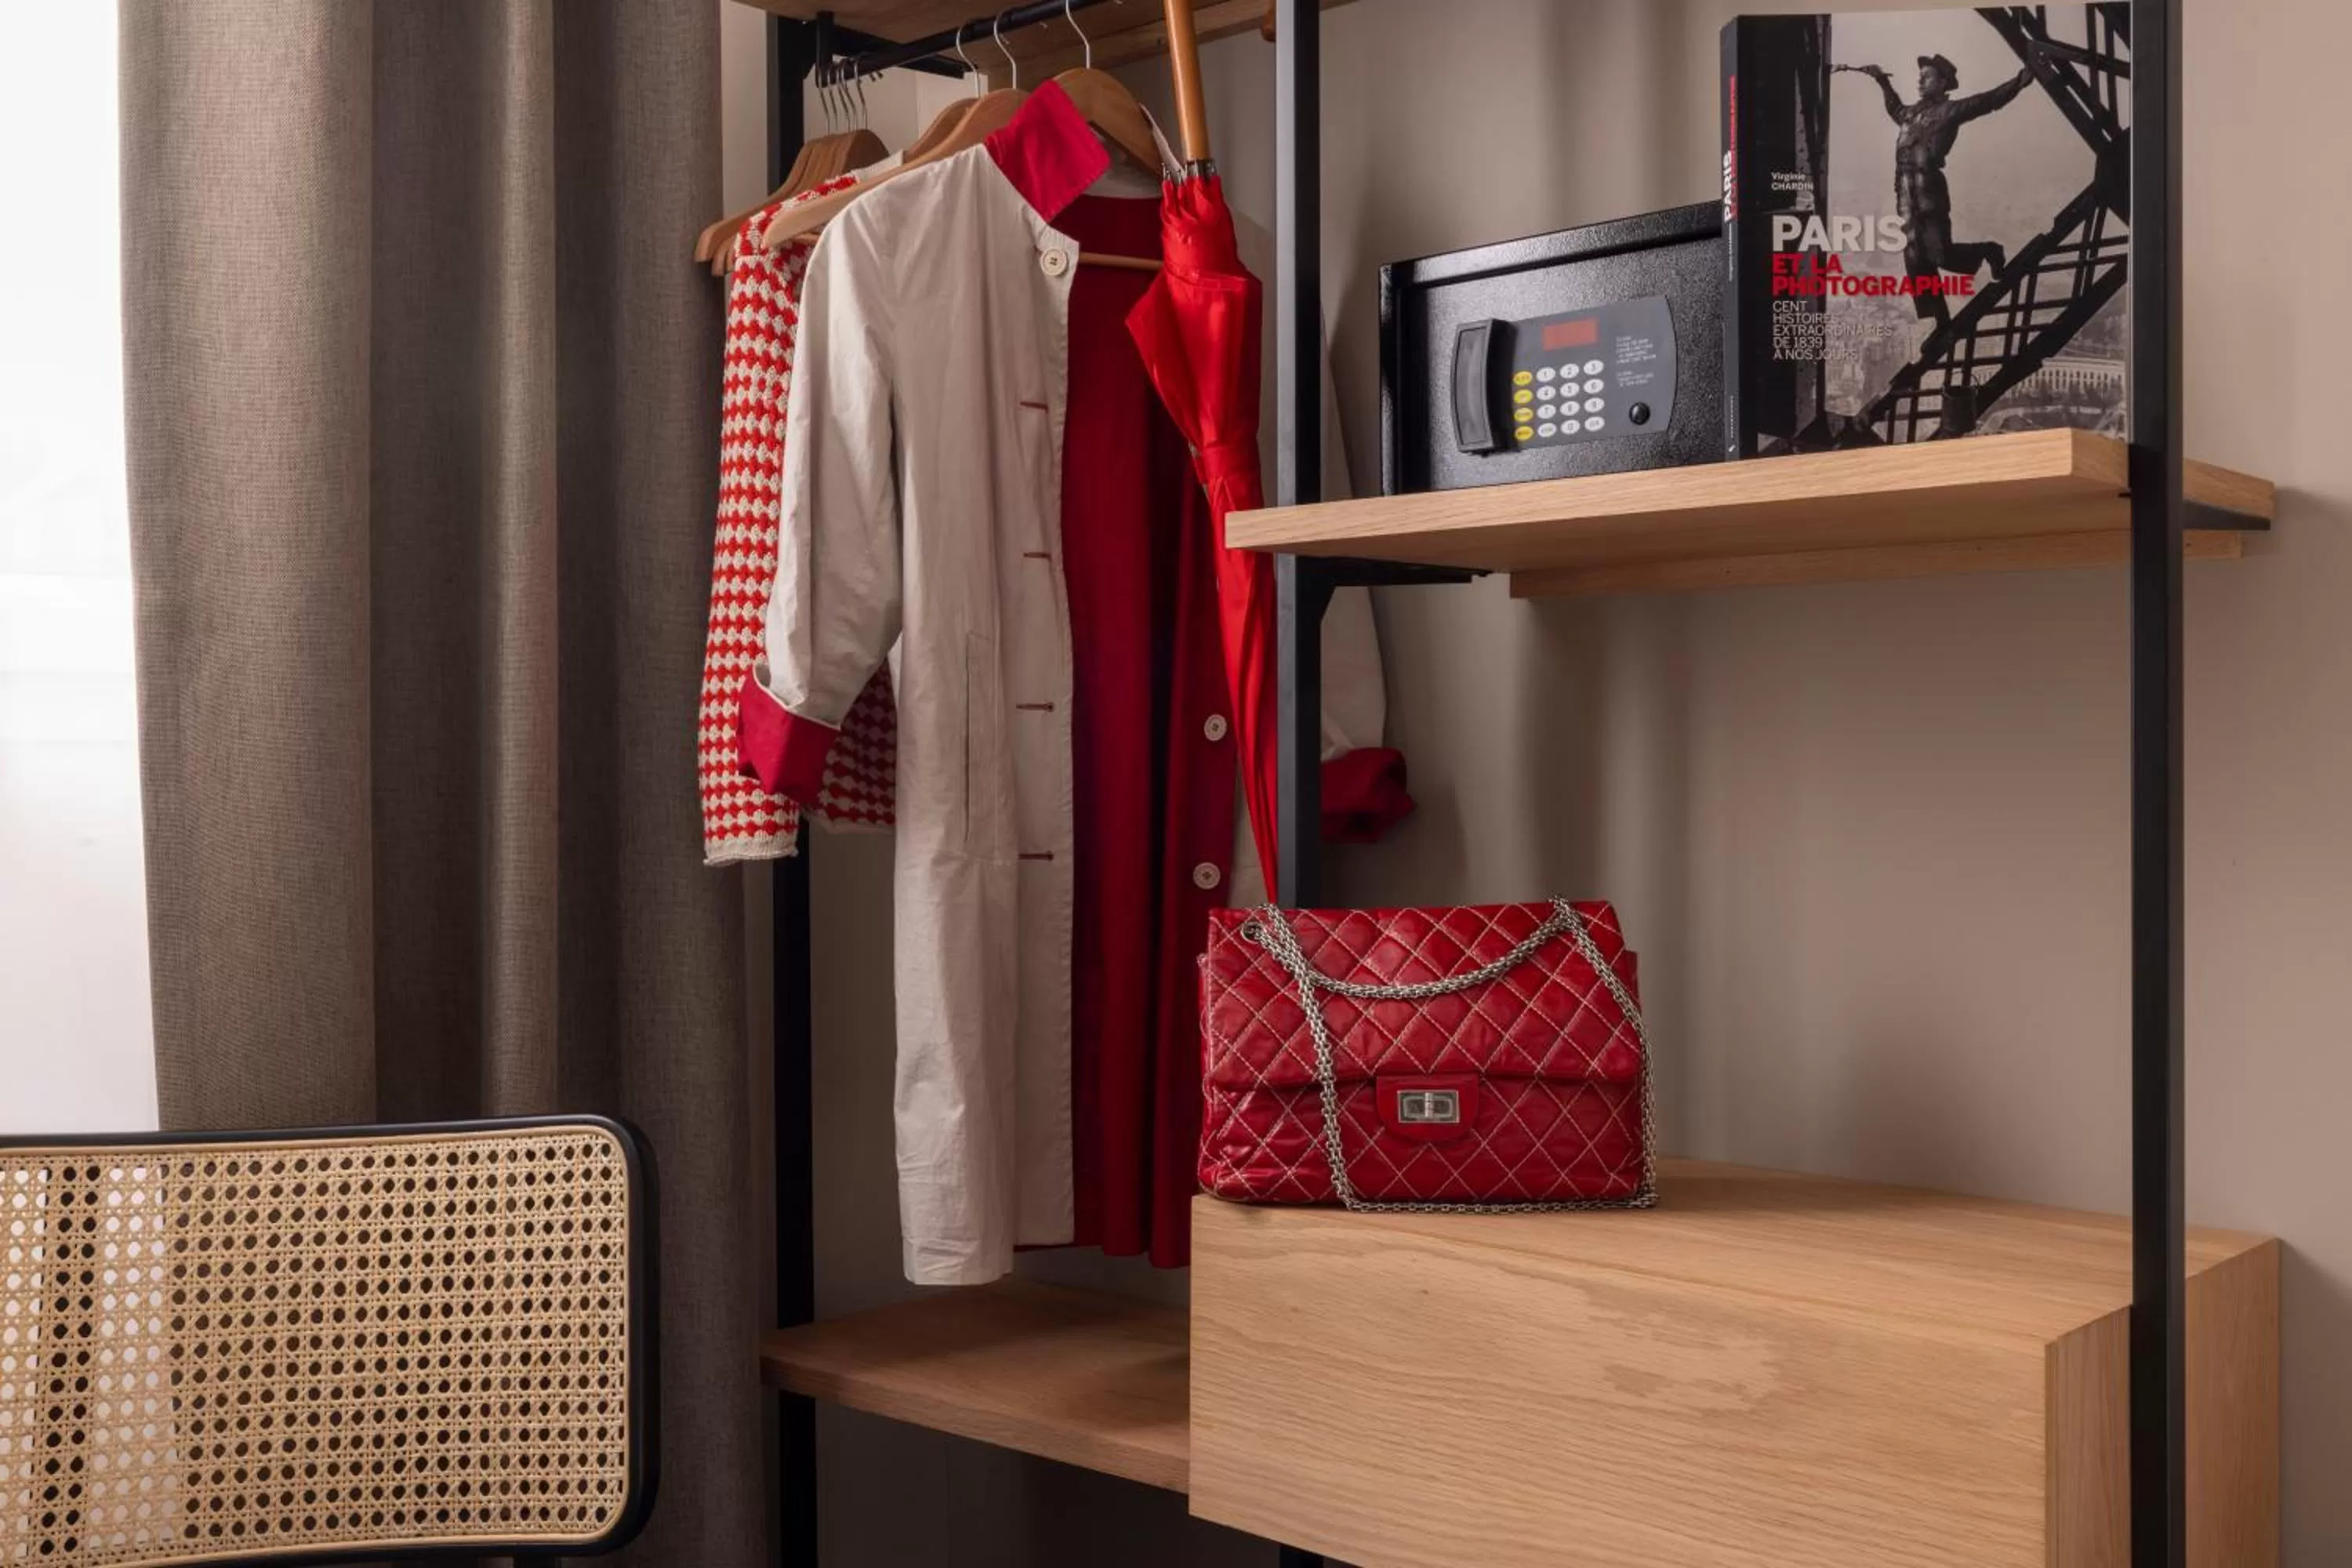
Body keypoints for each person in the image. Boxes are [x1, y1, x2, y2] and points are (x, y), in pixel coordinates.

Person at [1852, 47, 2042, 322]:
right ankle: (1938, 320)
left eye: (1926, 77)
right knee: (1916, 259)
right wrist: (1881, 80)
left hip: (1929, 193)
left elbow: (1987, 101)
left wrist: (2018, 82)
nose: (1920, 82)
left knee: (1939, 254)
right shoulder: (1910, 114)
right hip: (1906, 196)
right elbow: (1894, 107)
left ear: (1942, 83)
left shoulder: (1950, 111)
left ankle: (1989, 250)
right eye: (1920, 77)